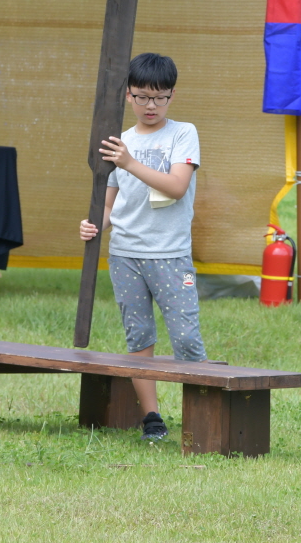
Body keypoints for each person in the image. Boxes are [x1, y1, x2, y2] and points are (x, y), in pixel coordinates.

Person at [79, 52, 206, 442]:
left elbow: (177, 186)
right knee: (139, 337)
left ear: (172, 96)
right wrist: (93, 225)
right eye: (143, 97)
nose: (151, 105)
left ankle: (203, 414)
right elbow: (109, 206)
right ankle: (152, 418)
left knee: (186, 338)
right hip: (125, 255)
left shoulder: (183, 133)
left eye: (160, 97)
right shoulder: (119, 143)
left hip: (170, 254)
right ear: (128, 96)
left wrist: (130, 162)